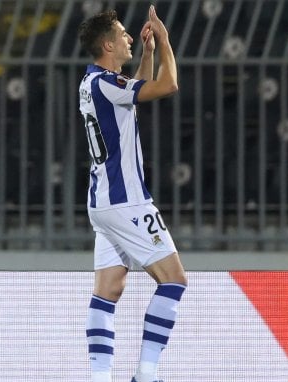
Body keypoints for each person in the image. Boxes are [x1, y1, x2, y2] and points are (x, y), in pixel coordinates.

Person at [78, 7, 186, 382]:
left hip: (102, 203)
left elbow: (134, 92)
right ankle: (146, 374)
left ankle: (100, 377)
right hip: (128, 202)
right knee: (173, 280)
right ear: (108, 44)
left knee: (107, 291)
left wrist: (149, 54)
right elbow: (166, 86)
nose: (128, 37)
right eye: (123, 34)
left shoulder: (92, 83)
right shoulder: (107, 83)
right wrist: (167, 41)